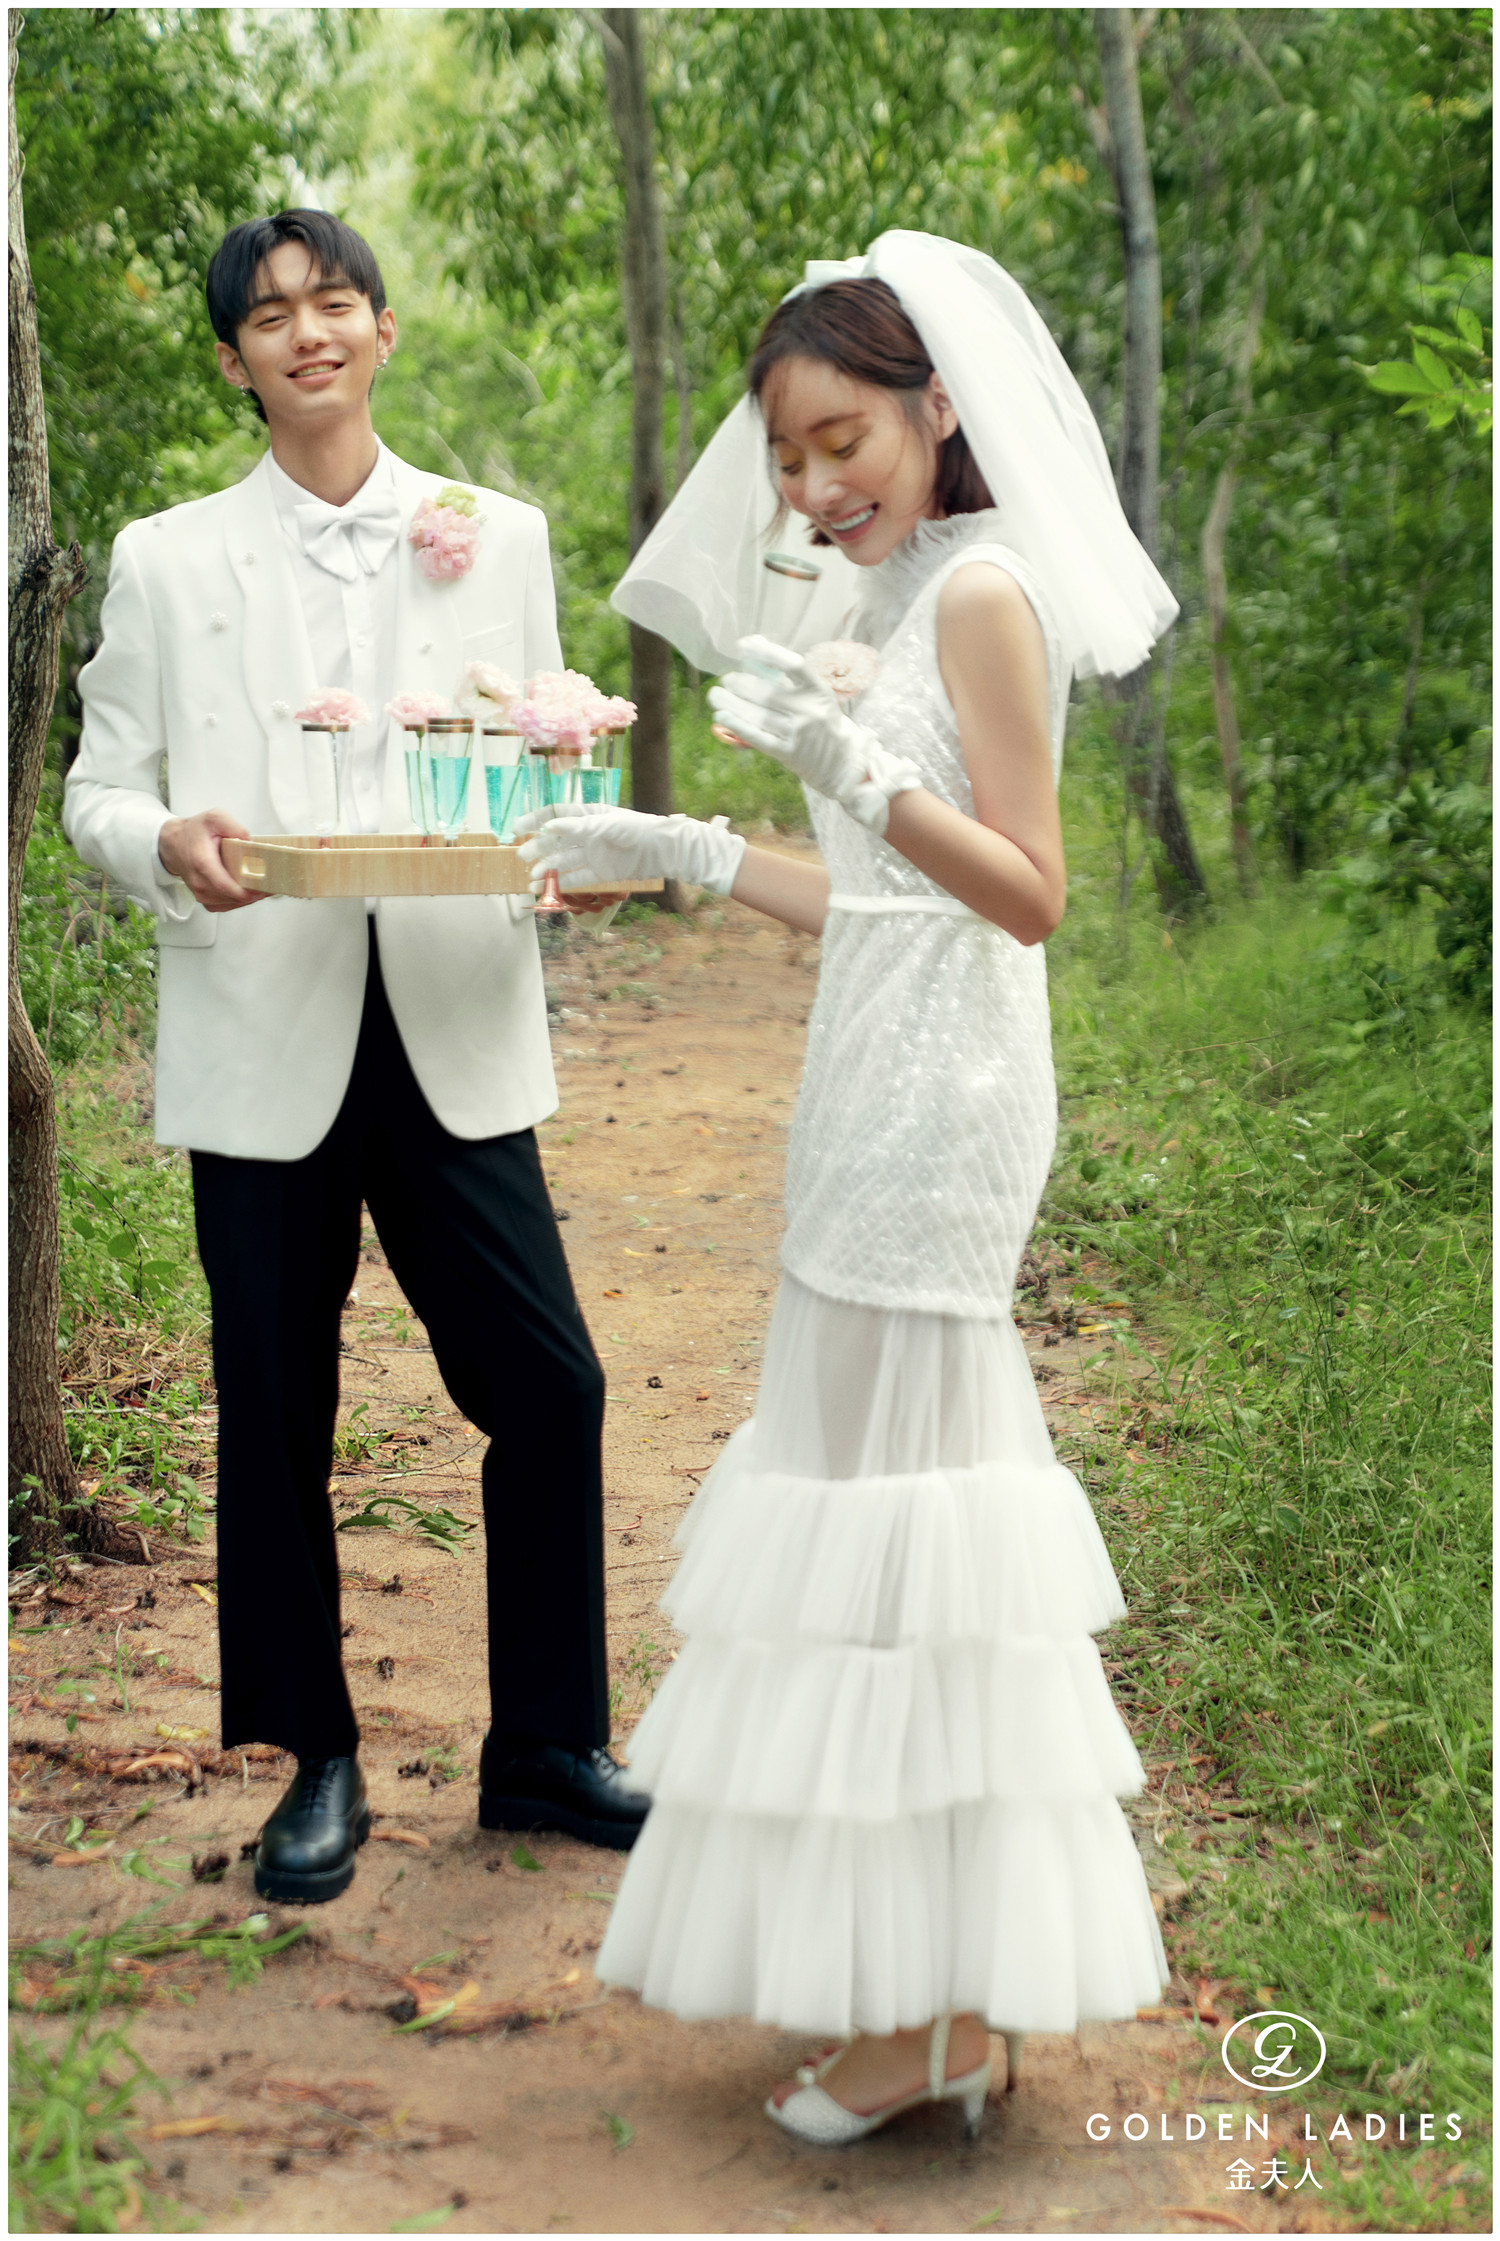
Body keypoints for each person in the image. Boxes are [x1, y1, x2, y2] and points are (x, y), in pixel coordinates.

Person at [517, 232, 1173, 2141]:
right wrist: (690, 853)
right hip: (861, 1073)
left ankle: (940, 2009)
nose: (816, 485)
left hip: (950, 1100)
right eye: (791, 455)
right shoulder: (880, 594)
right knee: (865, 1524)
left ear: (935, 407)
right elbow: (881, 898)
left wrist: (862, 775)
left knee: (912, 1545)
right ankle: (927, 1997)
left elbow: (1027, 895)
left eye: (846, 441)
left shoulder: (983, 594)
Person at [64, 209, 646, 1906]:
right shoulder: (166, 558)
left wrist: (569, 851)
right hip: (261, 1022)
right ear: (234, 360)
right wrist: (164, 840)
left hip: (454, 1013)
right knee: (275, 1401)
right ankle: (314, 1758)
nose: (306, 332)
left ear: (384, 328)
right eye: (269, 315)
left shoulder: (498, 534)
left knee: (550, 1380)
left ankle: (546, 1744)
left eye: (334, 302)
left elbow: (535, 754)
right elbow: (100, 789)